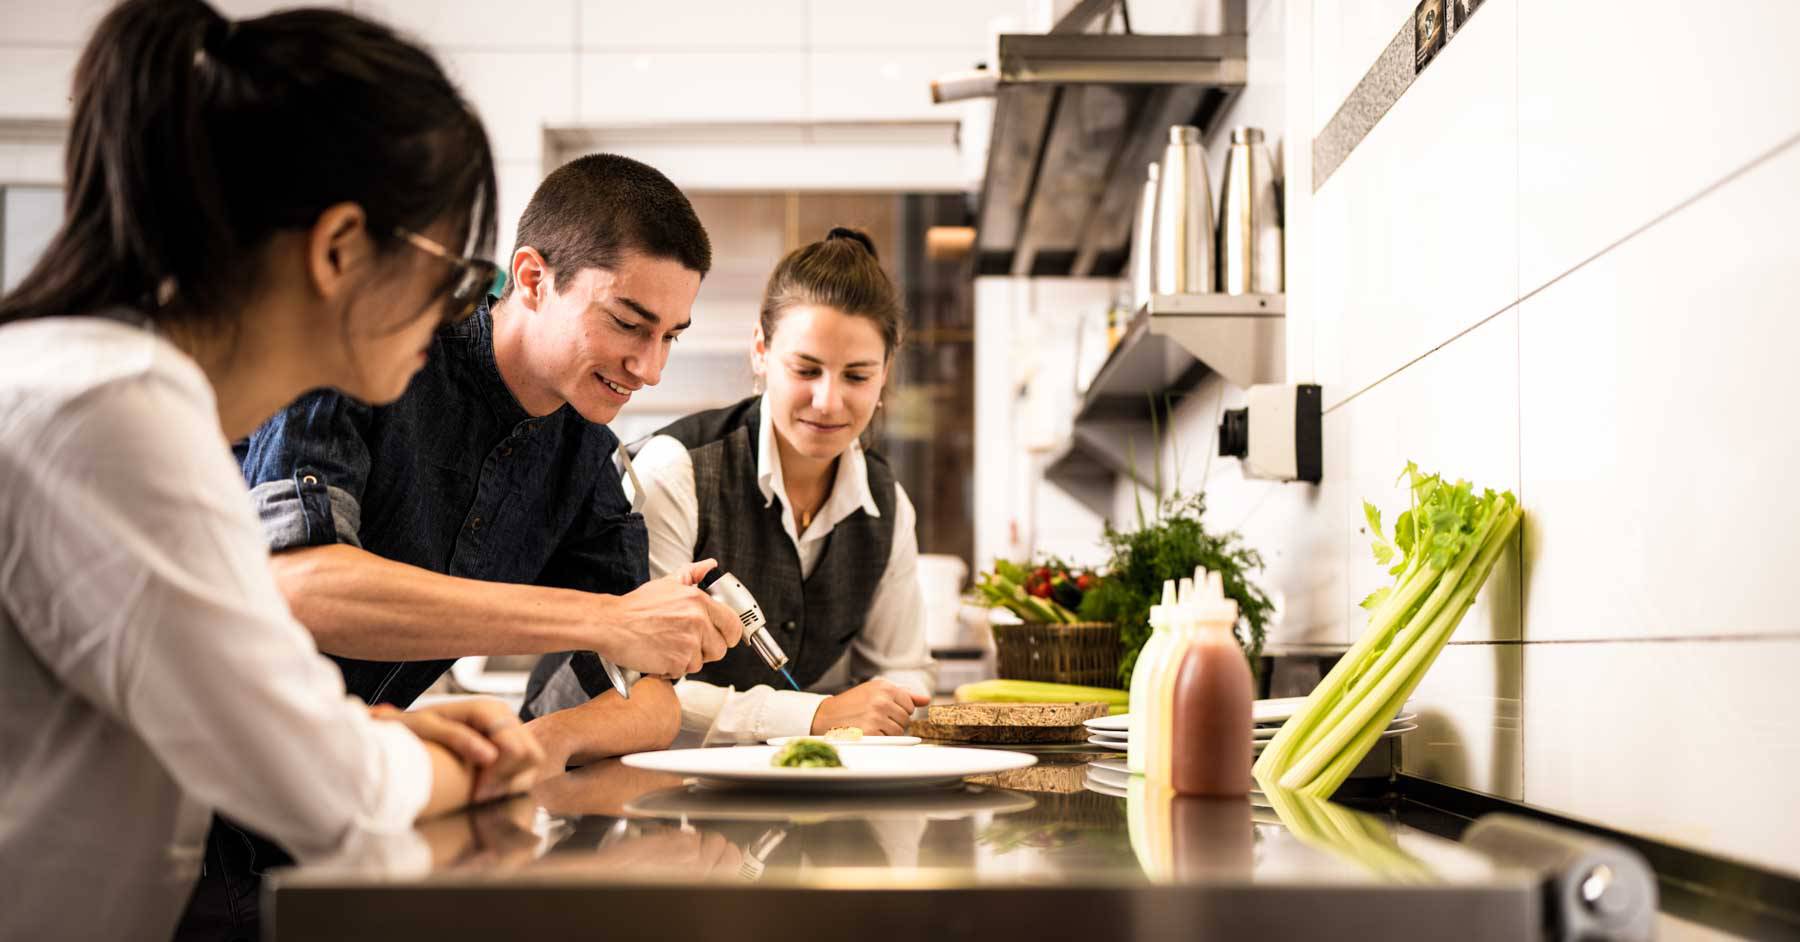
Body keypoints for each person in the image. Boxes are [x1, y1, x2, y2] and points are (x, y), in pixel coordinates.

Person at [0, 2, 545, 938]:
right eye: (454, 277)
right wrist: (472, 766)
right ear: (339, 249)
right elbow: (328, 795)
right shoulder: (113, 411)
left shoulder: (114, 390)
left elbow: (227, 711)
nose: (459, 314)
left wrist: (371, 734)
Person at [235, 153, 744, 766]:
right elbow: (299, 586)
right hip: (197, 779)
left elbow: (650, 699)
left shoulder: (582, 447)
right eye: (627, 324)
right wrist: (603, 619)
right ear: (531, 279)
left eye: (670, 336)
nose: (652, 369)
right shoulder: (373, 351)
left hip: (341, 783)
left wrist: (526, 748)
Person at [533, 228, 937, 745]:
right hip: (582, 758)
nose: (828, 401)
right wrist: (815, 716)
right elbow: (640, 685)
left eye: (857, 376)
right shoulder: (676, 470)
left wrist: (888, 706)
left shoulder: (888, 505)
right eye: (806, 369)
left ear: (886, 374)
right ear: (761, 352)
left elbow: (902, 673)